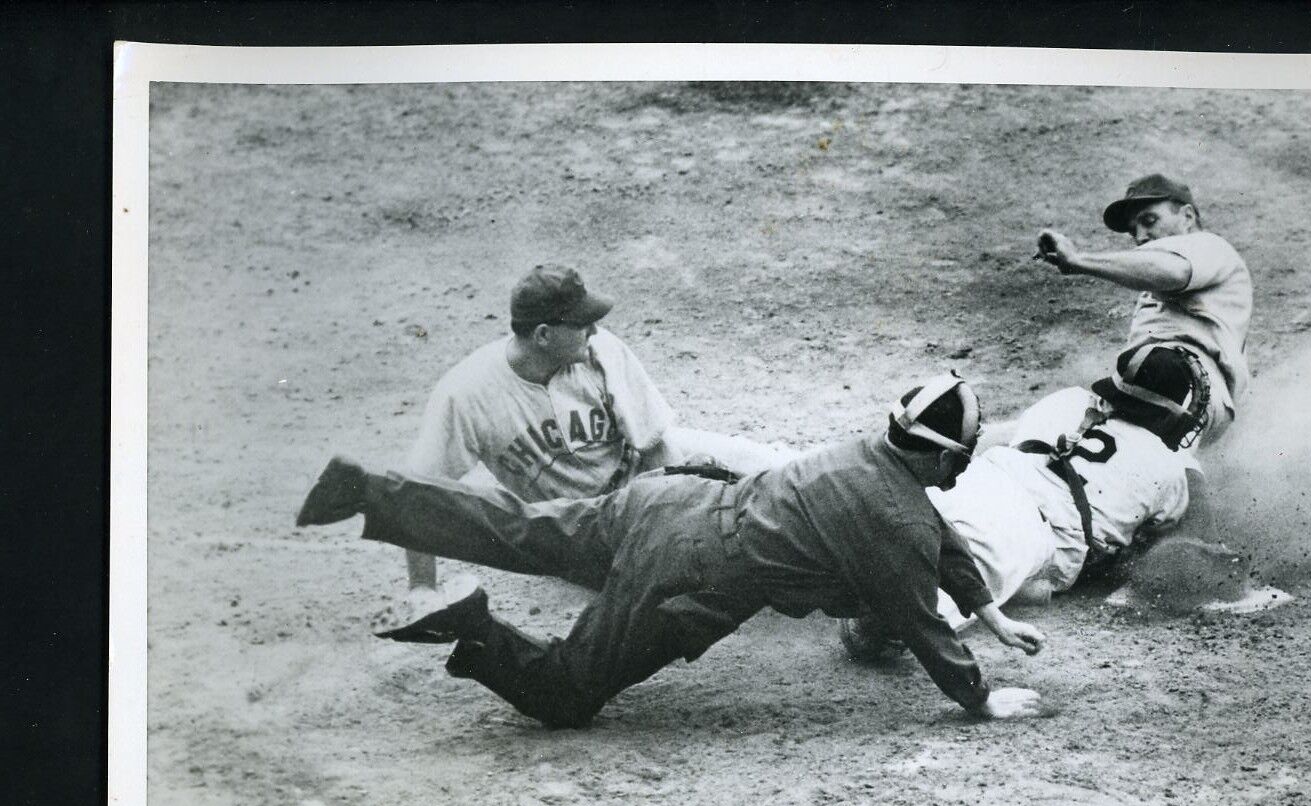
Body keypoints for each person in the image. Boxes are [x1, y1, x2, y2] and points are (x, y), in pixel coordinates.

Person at [296, 373, 1046, 727]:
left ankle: (368, 490)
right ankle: (472, 624)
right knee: (564, 695)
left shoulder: (867, 449)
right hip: (688, 572)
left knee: (519, 525)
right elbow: (920, 619)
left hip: (666, 499)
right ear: (941, 456)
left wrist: (993, 611)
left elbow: (929, 530)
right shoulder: (898, 521)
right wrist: (979, 696)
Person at [399, 263, 795, 613]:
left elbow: (656, 447)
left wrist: (680, 502)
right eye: (581, 323)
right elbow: (416, 492)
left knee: (781, 470)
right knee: (734, 558)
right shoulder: (468, 394)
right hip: (587, 528)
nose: (594, 329)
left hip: (649, 475)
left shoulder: (601, 350)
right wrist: (422, 588)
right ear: (543, 335)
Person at [840, 346, 1231, 658]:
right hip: (1024, 531)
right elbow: (1188, 546)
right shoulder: (1170, 466)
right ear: (1170, 413)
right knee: (893, 629)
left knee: (880, 536)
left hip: (984, 477)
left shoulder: (1068, 399)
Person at [1034, 174, 1253, 448]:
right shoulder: (1167, 283)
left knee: (1151, 365)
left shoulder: (1208, 245)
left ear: (1187, 217)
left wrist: (1079, 260)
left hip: (1184, 387)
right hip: (1174, 398)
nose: (1139, 236)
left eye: (1149, 221)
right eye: (1133, 230)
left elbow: (1174, 271)